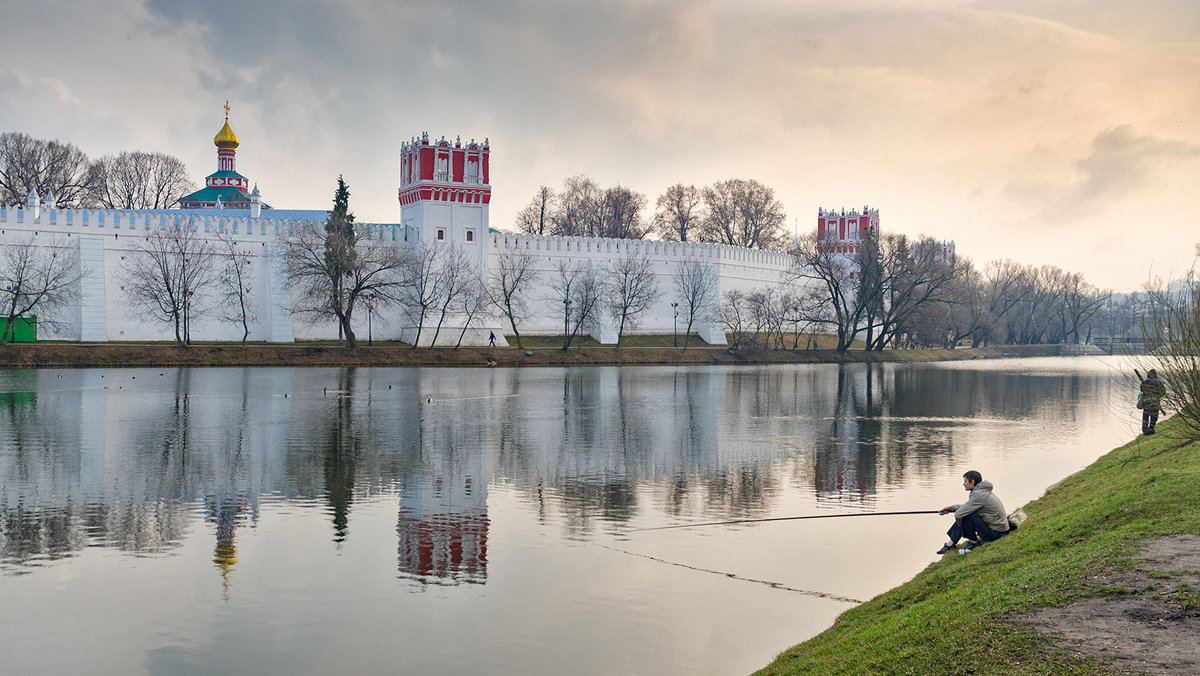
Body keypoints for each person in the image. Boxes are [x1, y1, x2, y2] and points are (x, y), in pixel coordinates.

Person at [936, 470, 1009, 555]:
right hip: (999, 530)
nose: (963, 484)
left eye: (965, 481)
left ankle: (972, 542)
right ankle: (951, 543)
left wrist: (963, 524)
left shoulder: (978, 495)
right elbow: (968, 506)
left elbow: (959, 514)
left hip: (996, 534)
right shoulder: (982, 491)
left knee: (965, 515)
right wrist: (951, 508)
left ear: (972, 482)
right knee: (966, 513)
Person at [1140, 368, 1166, 435]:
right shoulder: (1159, 382)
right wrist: (1157, 396)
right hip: (1155, 402)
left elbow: (1142, 390)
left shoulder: (1144, 382)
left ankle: (1145, 430)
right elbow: (1163, 392)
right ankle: (1151, 429)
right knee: (1154, 416)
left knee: (1145, 417)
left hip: (1146, 402)